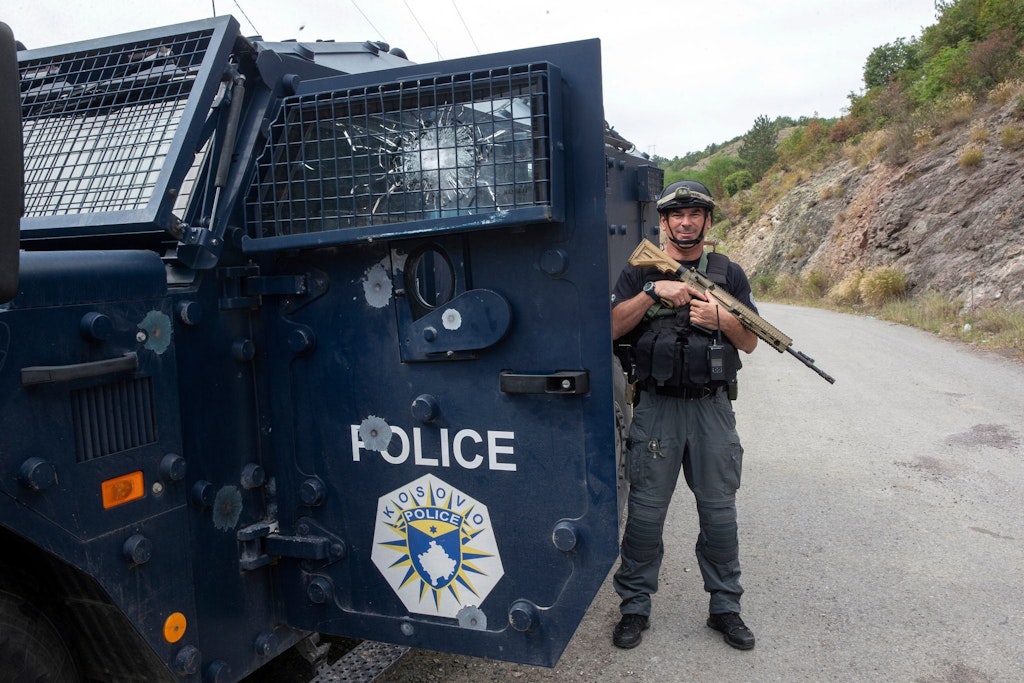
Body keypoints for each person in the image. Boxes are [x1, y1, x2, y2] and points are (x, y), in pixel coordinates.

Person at [609, 180, 758, 651]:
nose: (687, 222)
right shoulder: (641, 270)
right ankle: (634, 606)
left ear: (708, 222)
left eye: (696, 214)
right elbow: (609, 326)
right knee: (646, 516)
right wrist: (654, 290)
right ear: (665, 222)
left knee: (719, 516)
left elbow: (751, 340)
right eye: (677, 215)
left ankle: (725, 607)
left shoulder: (729, 273)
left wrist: (721, 319)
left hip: (713, 409)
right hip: (656, 408)